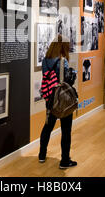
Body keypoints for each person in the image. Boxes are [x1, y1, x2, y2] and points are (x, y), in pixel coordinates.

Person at [39, 34, 77, 169]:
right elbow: (67, 81)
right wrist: (73, 73)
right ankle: (64, 161)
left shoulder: (45, 60)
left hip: (50, 98)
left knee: (47, 127)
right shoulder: (62, 61)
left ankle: (42, 155)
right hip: (62, 100)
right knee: (66, 130)